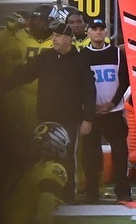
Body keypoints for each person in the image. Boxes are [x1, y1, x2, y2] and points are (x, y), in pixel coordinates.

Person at [8, 18, 94, 200]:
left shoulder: (81, 62)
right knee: (44, 156)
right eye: (53, 36)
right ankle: (46, 192)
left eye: (58, 36)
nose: (54, 39)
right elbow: (24, 74)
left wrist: (88, 118)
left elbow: (89, 91)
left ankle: (67, 194)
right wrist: (1, 84)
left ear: (68, 39)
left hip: (70, 119)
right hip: (46, 117)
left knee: (68, 157)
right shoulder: (45, 58)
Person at [78, 19, 132, 203]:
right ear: (88, 32)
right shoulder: (82, 55)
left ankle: (123, 192)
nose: (98, 32)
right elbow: (78, 85)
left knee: (120, 152)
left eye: (102, 29)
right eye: (94, 29)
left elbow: (125, 81)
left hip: (114, 112)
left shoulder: (117, 53)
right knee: (90, 155)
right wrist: (89, 106)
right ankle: (91, 192)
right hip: (91, 114)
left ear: (107, 32)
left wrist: (112, 103)